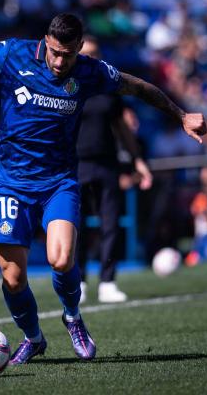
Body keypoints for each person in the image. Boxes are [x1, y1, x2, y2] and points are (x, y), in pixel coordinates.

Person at [0, 13, 206, 363]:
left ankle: (72, 317)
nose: (59, 62)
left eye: (68, 54)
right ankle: (33, 337)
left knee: (60, 259)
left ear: (80, 48)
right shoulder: (12, 54)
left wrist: (181, 115)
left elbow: (139, 87)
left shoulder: (90, 71)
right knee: (12, 278)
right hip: (11, 182)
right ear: (46, 41)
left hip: (59, 181)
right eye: (55, 52)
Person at [76, 36, 153, 304]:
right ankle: (81, 281)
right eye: (87, 54)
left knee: (111, 224)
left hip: (107, 163)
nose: (92, 59)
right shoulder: (66, 85)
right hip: (75, 164)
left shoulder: (108, 86)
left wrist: (138, 161)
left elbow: (121, 127)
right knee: (76, 226)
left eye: (96, 54)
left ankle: (108, 281)